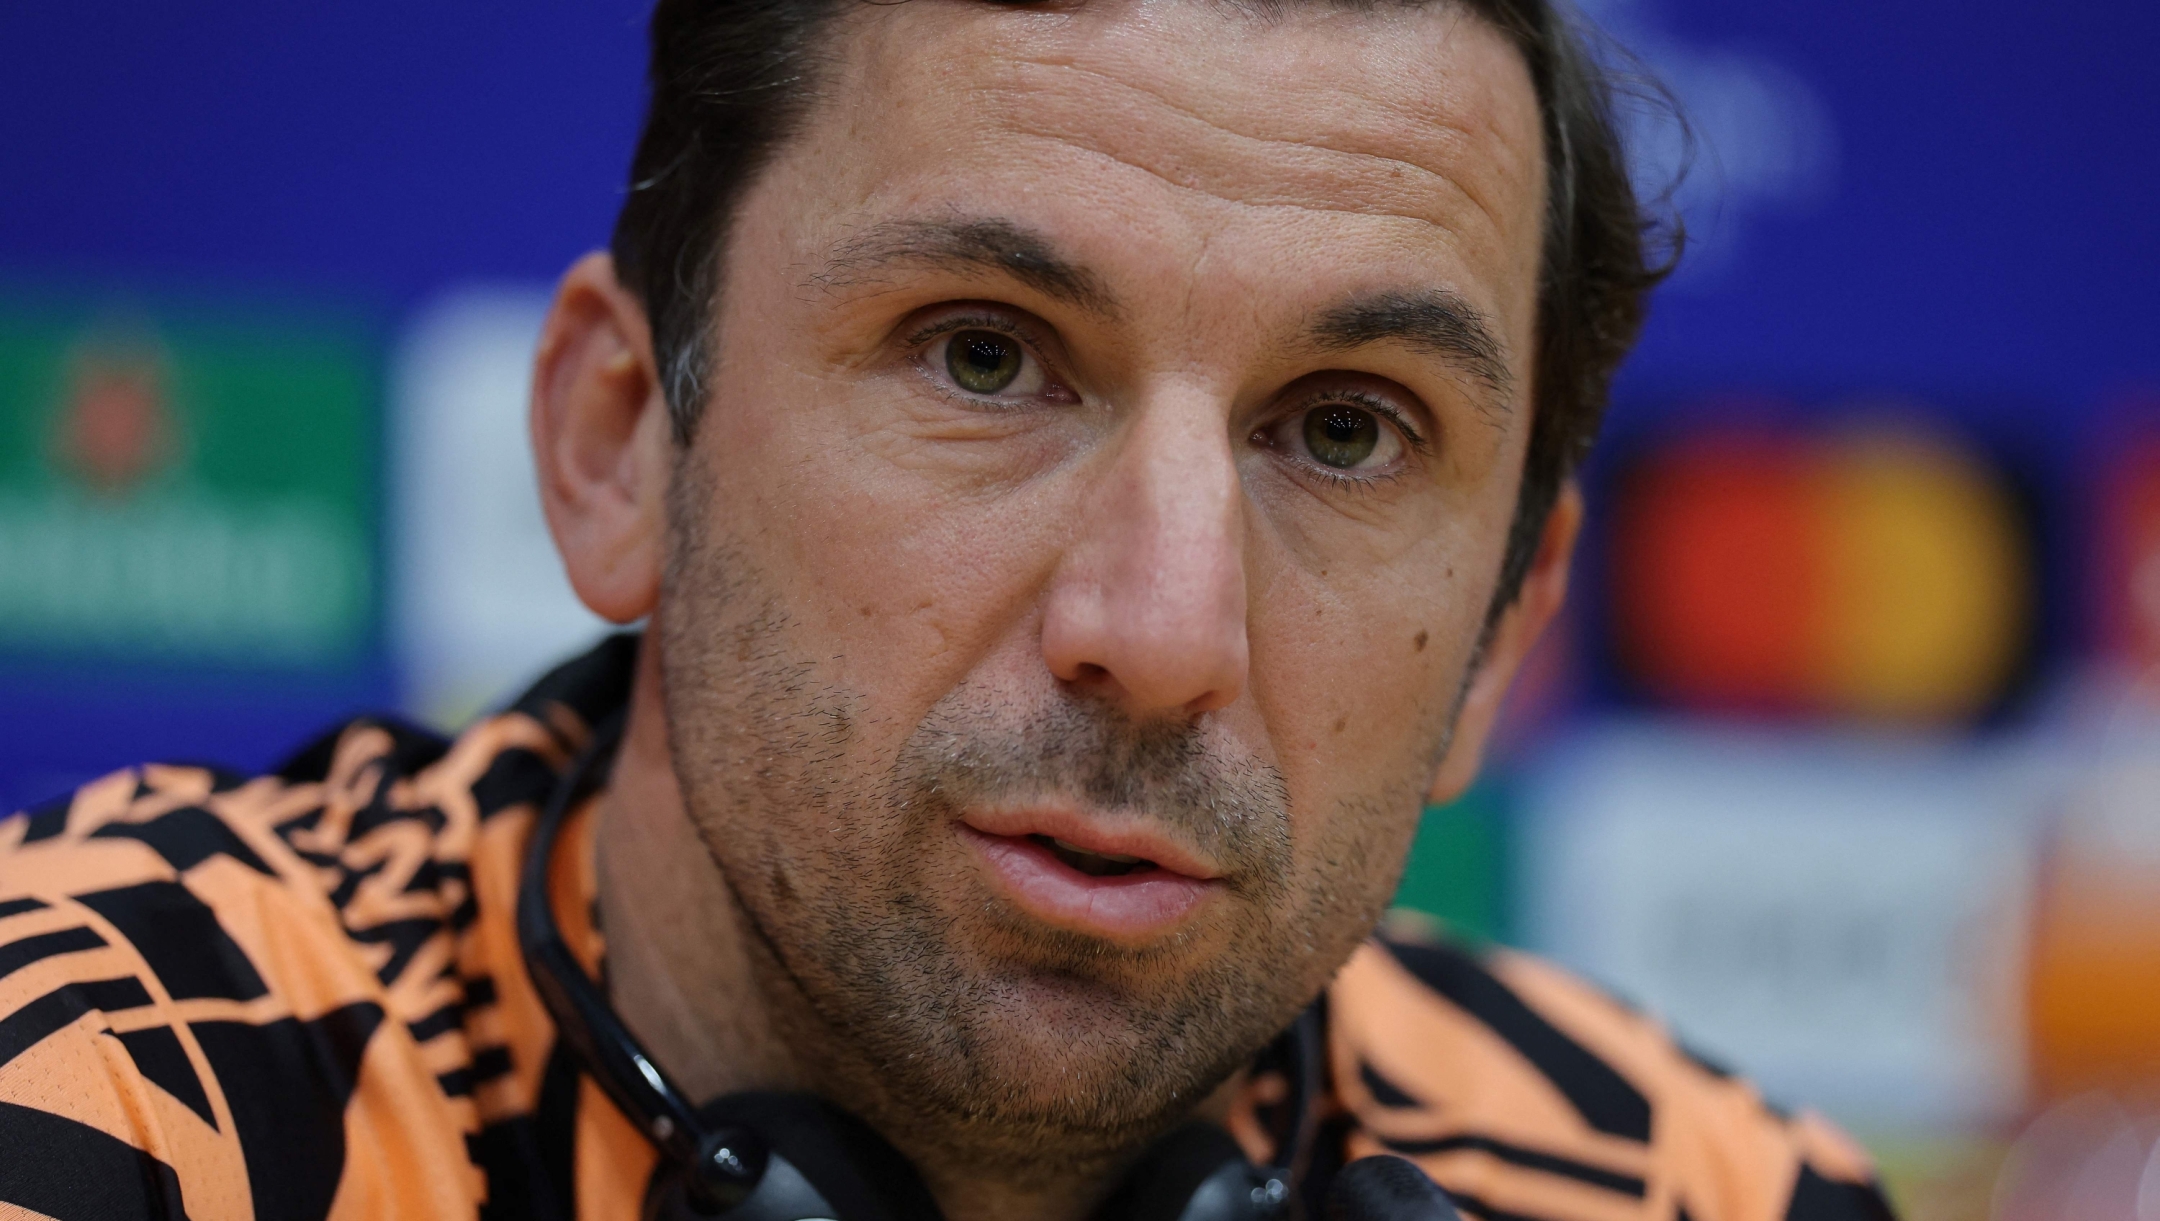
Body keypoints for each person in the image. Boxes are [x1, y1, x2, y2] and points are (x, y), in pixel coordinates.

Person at [0, 0, 1899, 1217]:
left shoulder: (1699, 1197)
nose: (1160, 634)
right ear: (619, 446)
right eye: (985, 358)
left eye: (1343, 428)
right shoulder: (106, 1102)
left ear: (1504, 625)